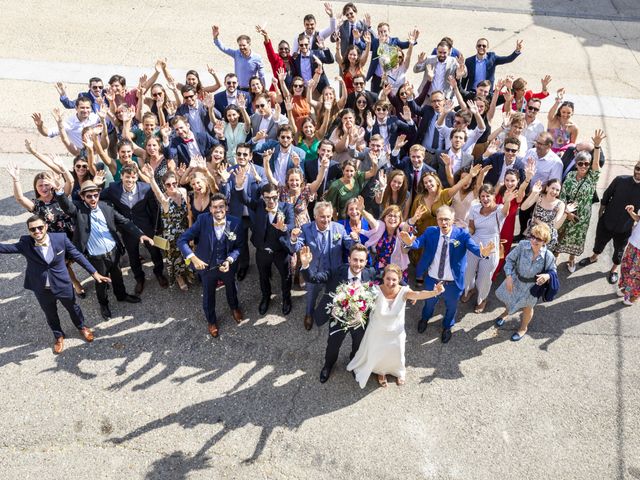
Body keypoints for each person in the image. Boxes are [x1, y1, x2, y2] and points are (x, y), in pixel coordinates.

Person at [0, 215, 111, 353]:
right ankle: (58, 335)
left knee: (73, 308)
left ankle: (82, 327)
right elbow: (5, 248)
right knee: (50, 313)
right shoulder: (25, 243)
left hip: (62, 284)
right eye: (33, 229)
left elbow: (77, 255)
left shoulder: (60, 238)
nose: (37, 231)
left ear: (46, 226)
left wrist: (94, 273)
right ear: (29, 231)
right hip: (41, 288)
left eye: (40, 227)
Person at [55, 180, 154, 320]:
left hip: (113, 252)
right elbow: (67, 207)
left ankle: (121, 296)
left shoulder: (106, 207)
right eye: (89, 196)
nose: (93, 198)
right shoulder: (78, 210)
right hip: (96, 257)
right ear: (82, 197)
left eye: (95, 195)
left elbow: (125, 221)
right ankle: (104, 304)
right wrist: (60, 193)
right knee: (101, 282)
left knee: (118, 276)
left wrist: (140, 234)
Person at [400, 205, 494, 343]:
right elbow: (417, 243)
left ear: (453, 220)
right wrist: (408, 243)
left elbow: (475, 249)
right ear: (436, 221)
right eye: (440, 220)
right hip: (432, 280)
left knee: (451, 307)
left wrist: (483, 253)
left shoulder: (462, 235)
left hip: (453, 283)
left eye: (446, 219)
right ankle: (425, 319)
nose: (443, 223)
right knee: (429, 304)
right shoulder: (430, 232)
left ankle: (447, 327)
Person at [347, 264, 444, 388]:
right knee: (378, 352)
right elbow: (359, 298)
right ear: (383, 277)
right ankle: (381, 372)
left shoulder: (404, 292)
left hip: (396, 332)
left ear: (399, 280)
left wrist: (435, 291)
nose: (391, 282)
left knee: (397, 353)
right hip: (377, 331)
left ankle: (398, 371)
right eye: (388, 278)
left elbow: (419, 294)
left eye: (394, 279)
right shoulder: (375, 290)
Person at [300, 243, 377, 383]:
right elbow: (314, 279)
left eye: (361, 261)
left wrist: (405, 286)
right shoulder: (336, 271)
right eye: (355, 260)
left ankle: (354, 364)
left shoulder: (369, 272)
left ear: (366, 262)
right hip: (338, 318)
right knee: (332, 346)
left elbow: (388, 274)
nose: (357, 264)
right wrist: (305, 265)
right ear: (349, 259)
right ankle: (328, 365)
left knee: (358, 345)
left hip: (359, 320)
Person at [178, 194, 245, 338]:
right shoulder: (203, 220)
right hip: (206, 268)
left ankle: (234, 308)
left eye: (221, 206)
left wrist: (229, 260)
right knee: (208, 295)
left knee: (231, 288)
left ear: (226, 208)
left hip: (227, 266)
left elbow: (239, 247)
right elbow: (182, 240)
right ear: (210, 209)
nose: (218, 210)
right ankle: (211, 321)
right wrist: (193, 258)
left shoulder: (236, 222)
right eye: (215, 207)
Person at [100, 165, 168, 294]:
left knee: (155, 252)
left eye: (133, 177)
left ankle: (159, 273)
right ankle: (139, 279)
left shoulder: (146, 188)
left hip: (146, 227)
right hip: (127, 230)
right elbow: (98, 198)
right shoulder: (113, 188)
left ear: (137, 177)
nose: (130, 180)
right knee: (133, 255)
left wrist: (157, 227)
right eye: (127, 177)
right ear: (121, 176)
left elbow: (154, 209)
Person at [232, 177, 295, 315]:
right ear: (263, 197)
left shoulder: (287, 207)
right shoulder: (259, 205)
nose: (271, 201)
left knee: (286, 276)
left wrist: (284, 227)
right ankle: (266, 297)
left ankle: (286, 299)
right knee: (263, 276)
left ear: (278, 195)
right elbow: (245, 199)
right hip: (262, 250)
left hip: (280, 250)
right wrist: (239, 186)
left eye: (273, 197)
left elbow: (292, 224)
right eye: (267, 198)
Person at [289, 202, 353, 330]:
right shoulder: (306, 228)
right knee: (311, 295)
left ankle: (336, 313)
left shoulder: (338, 228)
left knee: (335, 294)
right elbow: (295, 247)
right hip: (315, 272)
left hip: (334, 271)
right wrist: (294, 239)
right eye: (322, 216)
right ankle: (309, 314)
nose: (326, 220)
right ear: (315, 216)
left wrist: (355, 240)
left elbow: (349, 245)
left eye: (328, 216)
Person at [578, 161, 640, 284]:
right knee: (599, 241)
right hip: (607, 220)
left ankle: (613, 270)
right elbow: (607, 195)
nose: (639, 172)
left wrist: (633, 217)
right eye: (638, 168)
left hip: (625, 227)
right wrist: (601, 212)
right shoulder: (620, 180)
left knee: (619, 250)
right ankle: (594, 257)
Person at [494, 223, 556, 341]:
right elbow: (510, 260)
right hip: (516, 280)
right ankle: (506, 313)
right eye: (532, 236)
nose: (534, 240)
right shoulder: (522, 245)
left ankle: (523, 328)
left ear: (545, 241)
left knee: (527, 308)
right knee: (509, 299)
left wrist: (547, 276)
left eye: (538, 239)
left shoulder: (548, 256)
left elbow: (553, 270)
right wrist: (508, 276)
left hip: (532, 287)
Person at [554, 130, 604, 272]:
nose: (583, 166)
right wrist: (565, 212)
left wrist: (597, 146)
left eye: (586, 164)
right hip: (566, 211)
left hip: (581, 216)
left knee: (576, 238)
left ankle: (571, 259)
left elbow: (596, 162)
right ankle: (556, 255)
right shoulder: (570, 176)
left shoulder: (592, 177)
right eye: (580, 163)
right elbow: (562, 195)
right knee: (561, 234)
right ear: (576, 164)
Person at [462, 184, 512, 313]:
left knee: (484, 277)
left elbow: (506, 211)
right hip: (475, 243)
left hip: (491, 245)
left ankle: (482, 299)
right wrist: (464, 232)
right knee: (468, 271)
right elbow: (472, 228)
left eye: (487, 196)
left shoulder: (499, 209)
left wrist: (508, 200)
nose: (485, 198)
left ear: (493, 196)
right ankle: (469, 290)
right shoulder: (474, 208)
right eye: (482, 196)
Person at [143, 165, 192, 291]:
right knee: (174, 258)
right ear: (164, 185)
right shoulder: (164, 199)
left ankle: (187, 273)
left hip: (185, 230)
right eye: (168, 185)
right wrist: (151, 178)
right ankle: (179, 277)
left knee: (186, 254)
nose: (172, 187)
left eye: (174, 183)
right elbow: (156, 191)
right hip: (171, 235)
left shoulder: (183, 192)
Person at [520, 178, 571, 251]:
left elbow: (555, 226)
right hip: (533, 234)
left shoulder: (560, 204)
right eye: (552, 188)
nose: (554, 191)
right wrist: (534, 193)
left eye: (557, 190)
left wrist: (566, 213)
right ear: (547, 188)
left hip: (547, 238)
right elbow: (523, 207)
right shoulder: (539, 196)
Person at [618, 206, 640, 306]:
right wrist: (632, 213)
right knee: (626, 267)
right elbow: (639, 218)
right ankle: (627, 288)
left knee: (637, 274)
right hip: (634, 242)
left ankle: (635, 295)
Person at [547, 89, 578, 154]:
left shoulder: (574, 127)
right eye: (563, 112)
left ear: (572, 113)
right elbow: (550, 115)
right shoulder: (553, 120)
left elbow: (572, 145)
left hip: (563, 154)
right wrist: (558, 101)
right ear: (560, 111)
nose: (565, 115)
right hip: (548, 151)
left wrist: (562, 152)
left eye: (568, 113)